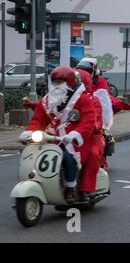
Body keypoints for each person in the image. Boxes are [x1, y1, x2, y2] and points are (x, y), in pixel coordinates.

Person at [19, 66, 97, 203]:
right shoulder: (48, 100)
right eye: (55, 81)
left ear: (70, 82)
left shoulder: (83, 99)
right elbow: (38, 120)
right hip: (53, 138)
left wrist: (74, 134)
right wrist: (30, 132)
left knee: (67, 156)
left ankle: (70, 187)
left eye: (61, 81)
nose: (57, 84)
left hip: (76, 141)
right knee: (35, 152)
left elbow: (88, 122)